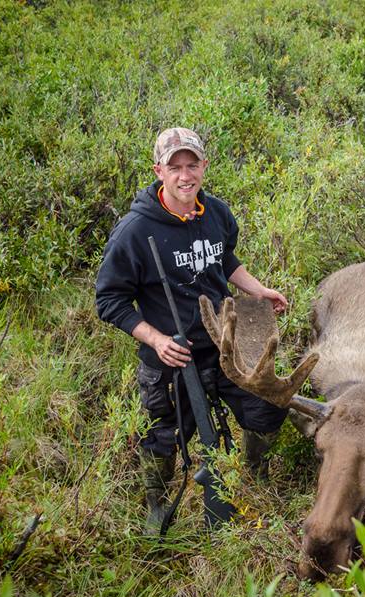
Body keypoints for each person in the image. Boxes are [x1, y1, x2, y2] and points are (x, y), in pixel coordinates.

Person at [95, 127, 288, 532]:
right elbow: (109, 300)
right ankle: (157, 504)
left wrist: (258, 290)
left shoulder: (216, 212)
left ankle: (253, 478)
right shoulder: (134, 231)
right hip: (171, 356)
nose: (186, 176)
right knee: (161, 438)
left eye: (192, 165)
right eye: (175, 167)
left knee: (266, 406)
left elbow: (224, 259)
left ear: (204, 167)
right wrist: (157, 340)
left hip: (223, 345)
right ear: (159, 171)